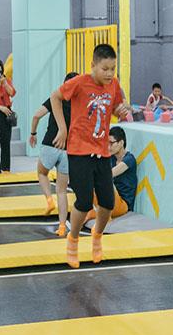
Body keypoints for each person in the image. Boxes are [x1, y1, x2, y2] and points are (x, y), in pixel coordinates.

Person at [50, 44, 129, 269]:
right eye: (104, 68)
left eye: (113, 69)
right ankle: (73, 239)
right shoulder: (80, 82)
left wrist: (120, 111)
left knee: (108, 202)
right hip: (79, 151)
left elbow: (114, 109)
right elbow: (55, 97)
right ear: (93, 65)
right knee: (84, 203)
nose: (109, 73)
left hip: (102, 151)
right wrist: (62, 129)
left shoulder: (113, 84)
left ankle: (97, 236)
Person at [30, 72, 77, 236]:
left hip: (51, 144)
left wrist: (33, 133)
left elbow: (36, 115)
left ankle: (49, 200)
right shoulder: (79, 104)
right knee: (62, 191)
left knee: (42, 173)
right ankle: (63, 226)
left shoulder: (56, 98)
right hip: (68, 150)